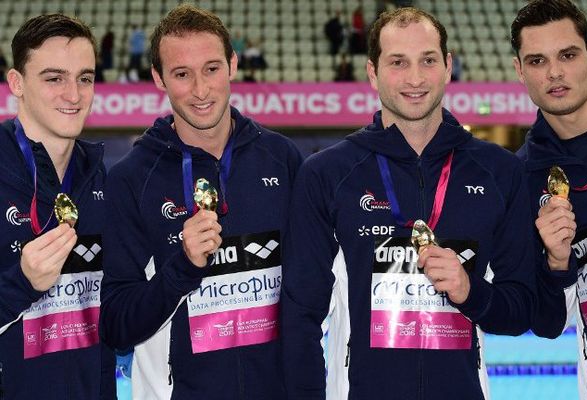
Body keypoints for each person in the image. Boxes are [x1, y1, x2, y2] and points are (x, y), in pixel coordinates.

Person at [281, 7, 535, 399]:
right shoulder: (328, 175)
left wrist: (471, 291)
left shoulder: (498, 172)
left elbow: (520, 309)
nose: (415, 78)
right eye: (398, 63)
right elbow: (301, 316)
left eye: (428, 61)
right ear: (372, 72)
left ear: (448, 65)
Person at [99, 4, 303, 399]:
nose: (200, 89)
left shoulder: (284, 159)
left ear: (233, 64)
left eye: (211, 68)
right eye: (181, 74)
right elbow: (116, 325)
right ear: (158, 78)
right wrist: (182, 267)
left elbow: (314, 288)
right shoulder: (132, 180)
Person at [0, 14, 115, 400]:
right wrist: (21, 283)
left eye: (84, 78)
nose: (74, 95)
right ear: (16, 83)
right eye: (54, 79)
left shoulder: (102, 180)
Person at [511, 1, 587, 398]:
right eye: (536, 60)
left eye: (567, 54)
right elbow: (547, 324)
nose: (554, 73)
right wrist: (557, 261)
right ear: (519, 71)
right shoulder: (525, 179)